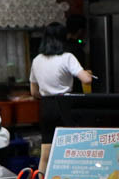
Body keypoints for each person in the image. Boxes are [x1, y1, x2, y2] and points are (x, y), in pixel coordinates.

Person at [31, 22, 93, 168]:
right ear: (63, 38)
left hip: (46, 106)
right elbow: (87, 80)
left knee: (46, 153)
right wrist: (87, 73)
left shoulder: (37, 60)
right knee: (71, 150)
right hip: (66, 105)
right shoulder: (67, 57)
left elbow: (34, 92)